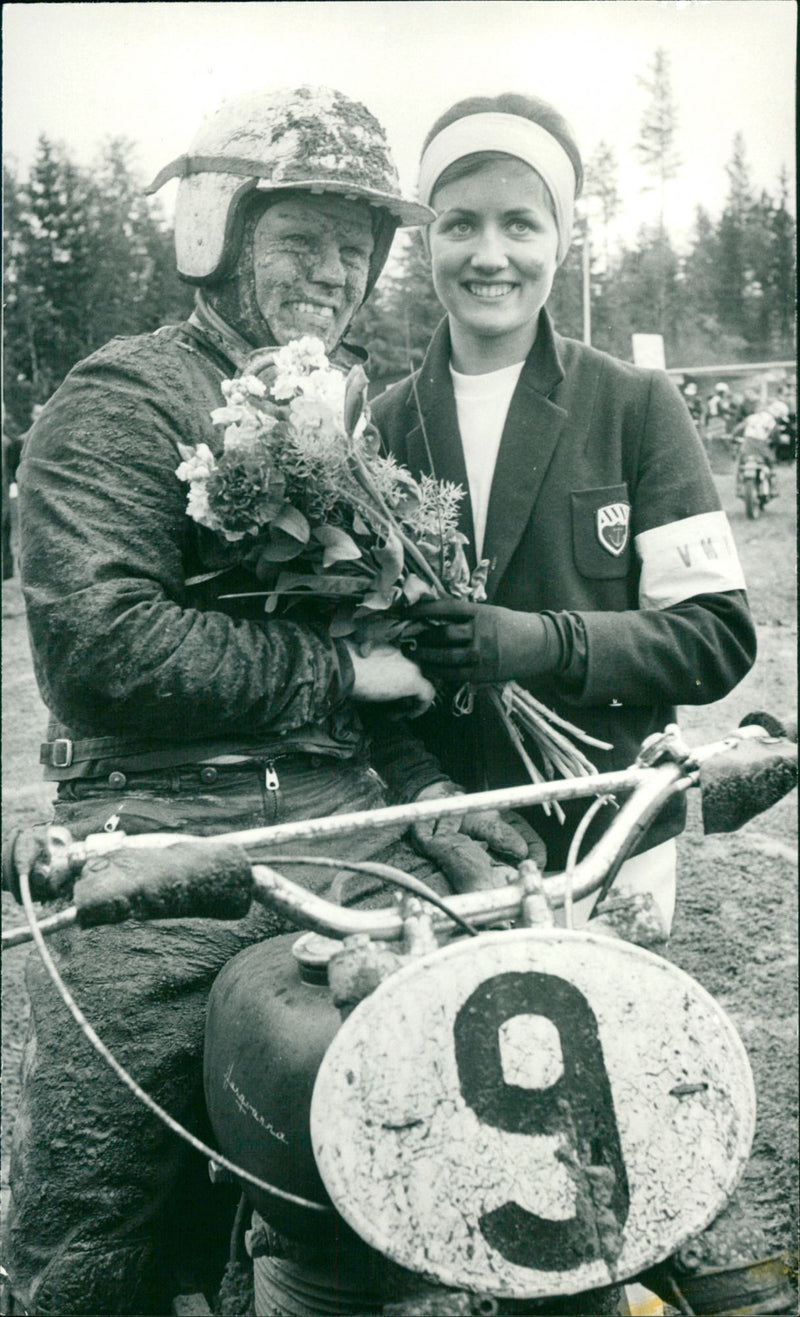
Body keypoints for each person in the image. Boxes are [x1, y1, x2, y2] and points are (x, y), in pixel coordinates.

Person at [5, 87, 533, 1317]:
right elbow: (100, 644)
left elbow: (375, 673)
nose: (334, 275)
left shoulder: (343, 418)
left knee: (484, 1124)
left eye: (357, 251)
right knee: (97, 1233)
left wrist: (433, 798)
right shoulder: (118, 400)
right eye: (301, 241)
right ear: (217, 233)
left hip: (357, 829)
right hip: (164, 833)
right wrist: (340, 674)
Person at [372, 92, 757, 936]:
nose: (489, 255)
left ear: (564, 239)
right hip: (441, 853)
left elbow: (717, 637)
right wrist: (422, 794)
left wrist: (542, 640)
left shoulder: (636, 404)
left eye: (520, 224)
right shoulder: (379, 427)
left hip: (607, 836)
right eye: (459, 224)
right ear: (425, 241)